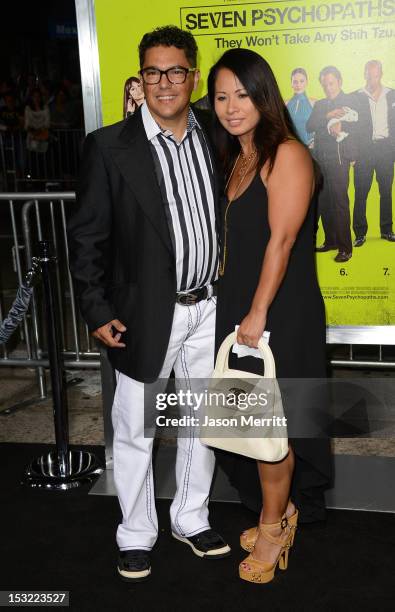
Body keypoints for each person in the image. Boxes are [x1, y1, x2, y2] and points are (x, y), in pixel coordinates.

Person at [67, 25, 230, 584]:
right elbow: (87, 238)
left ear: (194, 75)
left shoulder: (215, 132)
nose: (165, 83)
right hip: (142, 315)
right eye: (153, 72)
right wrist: (94, 309)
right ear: (140, 77)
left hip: (209, 308)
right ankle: (136, 532)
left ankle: (191, 516)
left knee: (203, 423)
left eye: (176, 71)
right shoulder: (109, 145)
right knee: (136, 426)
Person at [207, 48, 331, 584]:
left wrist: (257, 314)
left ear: (265, 95)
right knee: (249, 423)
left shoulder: (288, 155)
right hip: (243, 304)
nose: (232, 107)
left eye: (243, 94)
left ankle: (274, 525)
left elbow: (281, 241)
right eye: (221, 96)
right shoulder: (237, 156)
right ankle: (278, 512)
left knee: (271, 426)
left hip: (280, 309)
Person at [306, 66, 359, 262]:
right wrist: (328, 116)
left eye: (331, 83)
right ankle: (331, 241)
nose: (328, 87)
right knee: (323, 201)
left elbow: (360, 125)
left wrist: (342, 125)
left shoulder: (351, 100)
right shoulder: (320, 105)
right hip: (321, 157)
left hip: (339, 157)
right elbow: (309, 125)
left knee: (339, 201)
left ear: (339, 82)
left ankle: (346, 247)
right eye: (324, 84)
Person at [352, 60, 395, 246]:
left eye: (375, 75)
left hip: (386, 149)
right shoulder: (356, 97)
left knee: (386, 191)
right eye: (369, 75)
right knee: (361, 192)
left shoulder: (392, 95)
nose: (372, 79)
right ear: (364, 74)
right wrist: (353, 153)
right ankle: (360, 234)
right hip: (364, 150)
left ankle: (387, 230)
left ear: (381, 74)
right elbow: (350, 126)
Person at [286, 68, 315, 147]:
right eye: (295, 82)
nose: (298, 85)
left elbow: (321, 127)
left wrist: (314, 143)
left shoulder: (314, 103)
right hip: (292, 147)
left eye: (301, 81)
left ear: (306, 82)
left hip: (311, 147)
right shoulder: (285, 104)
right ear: (291, 83)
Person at [24, 88, 50, 153]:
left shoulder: (46, 108)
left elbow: (47, 123)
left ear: (41, 97)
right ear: (31, 98)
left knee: (43, 156)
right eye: (34, 96)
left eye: (38, 96)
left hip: (43, 136)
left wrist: (40, 130)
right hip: (32, 136)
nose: (36, 98)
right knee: (32, 156)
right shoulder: (28, 108)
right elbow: (27, 124)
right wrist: (33, 131)